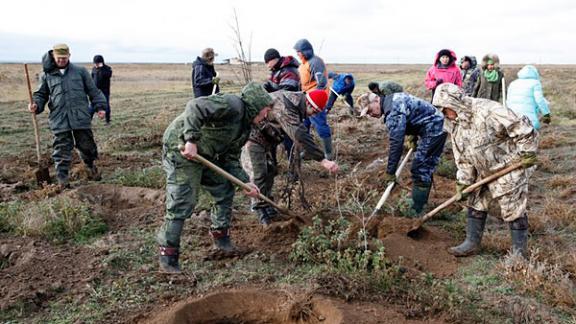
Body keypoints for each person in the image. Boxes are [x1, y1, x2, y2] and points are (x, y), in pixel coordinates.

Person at [156, 82, 272, 273]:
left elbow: (230, 158)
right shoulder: (232, 104)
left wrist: (245, 181)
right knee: (182, 201)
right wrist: (191, 140)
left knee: (224, 189)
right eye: (265, 110)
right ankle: (168, 256)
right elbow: (195, 106)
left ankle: (221, 239)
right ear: (256, 105)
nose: (266, 115)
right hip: (181, 149)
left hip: (205, 154)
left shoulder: (244, 128)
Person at [432, 83, 538, 257]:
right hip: (483, 170)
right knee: (476, 201)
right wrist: (464, 182)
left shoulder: (488, 110)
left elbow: (522, 127)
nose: (444, 114)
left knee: (513, 208)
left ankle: (519, 254)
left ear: (455, 103)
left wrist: (528, 152)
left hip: (508, 166)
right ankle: (472, 243)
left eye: (445, 110)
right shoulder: (456, 124)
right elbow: (463, 157)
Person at [247, 89, 339, 225]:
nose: (311, 115)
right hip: (251, 137)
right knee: (259, 172)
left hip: (265, 139)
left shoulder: (295, 103)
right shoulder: (285, 104)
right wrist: (322, 160)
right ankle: (260, 209)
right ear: (309, 103)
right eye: (313, 112)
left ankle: (267, 204)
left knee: (271, 170)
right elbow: (299, 134)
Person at [29, 44, 108, 189]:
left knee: (87, 147)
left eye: (64, 58)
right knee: (61, 151)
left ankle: (90, 169)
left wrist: (100, 107)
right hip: (59, 119)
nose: (61, 61)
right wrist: (36, 105)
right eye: (59, 58)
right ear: (53, 56)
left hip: (80, 117)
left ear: (69, 56)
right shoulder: (46, 75)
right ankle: (63, 181)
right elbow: (41, 95)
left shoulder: (80, 71)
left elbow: (94, 91)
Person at [357, 90, 446, 216]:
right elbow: (412, 113)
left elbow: (396, 144)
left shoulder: (393, 112)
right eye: (368, 113)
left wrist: (390, 172)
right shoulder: (392, 98)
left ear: (377, 100)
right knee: (422, 166)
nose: (370, 114)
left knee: (420, 168)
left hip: (434, 128)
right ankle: (420, 202)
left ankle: (417, 210)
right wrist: (413, 135)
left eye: (370, 110)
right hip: (430, 124)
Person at [293, 39, 333, 160]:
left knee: (320, 125)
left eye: (298, 52)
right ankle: (309, 151)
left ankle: (328, 154)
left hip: (315, 101)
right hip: (305, 100)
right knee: (304, 126)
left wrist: (314, 98)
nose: (297, 54)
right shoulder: (303, 64)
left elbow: (321, 83)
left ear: (305, 51)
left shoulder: (315, 62)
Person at [506, 65, 551, 131]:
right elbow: (540, 100)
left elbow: (508, 101)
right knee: (545, 102)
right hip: (529, 122)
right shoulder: (535, 83)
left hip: (512, 121)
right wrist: (547, 115)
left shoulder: (513, 83)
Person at [89, 55, 113, 124]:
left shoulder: (107, 69)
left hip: (105, 91)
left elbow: (108, 75)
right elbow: (91, 78)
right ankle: (88, 122)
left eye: (97, 63)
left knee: (106, 106)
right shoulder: (93, 69)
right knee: (92, 107)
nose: (95, 64)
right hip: (95, 92)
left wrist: (101, 68)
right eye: (95, 63)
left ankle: (107, 121)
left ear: (101, 62)